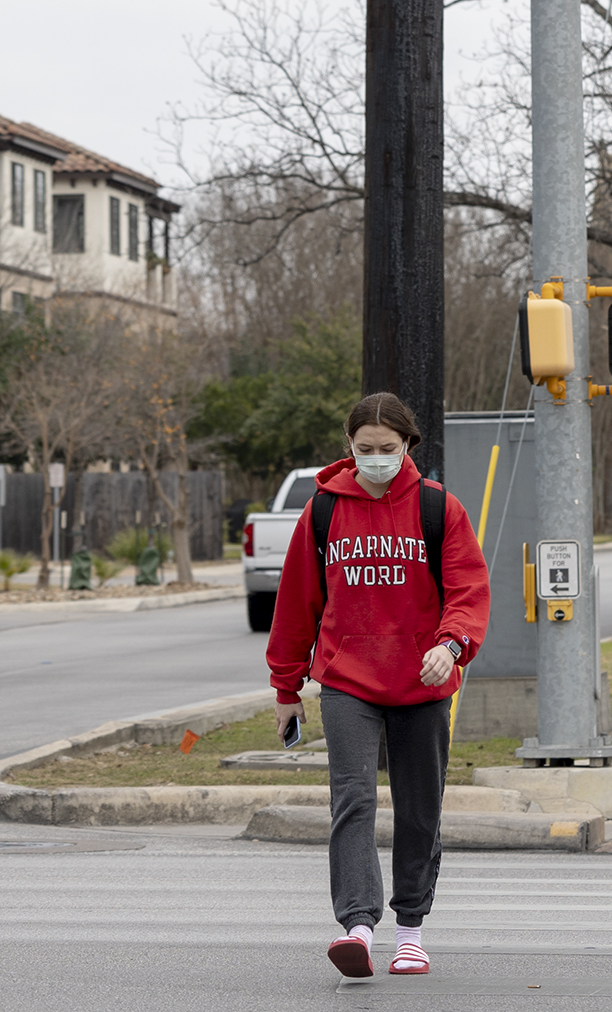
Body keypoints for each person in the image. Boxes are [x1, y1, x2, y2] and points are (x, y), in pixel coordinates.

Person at [265, 392, 490, 978]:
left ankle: (410, 931)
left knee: (419, 810)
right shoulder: (322, 511)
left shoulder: (439, 508)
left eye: (387, 449)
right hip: (347, 681)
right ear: (349, 448)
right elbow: (296, 604)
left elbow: (468, 591)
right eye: (365, 449)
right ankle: (358, 927)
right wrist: (287, 687)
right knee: (354, 801)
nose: (376, 459)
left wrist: (451, 646)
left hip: (423, 679)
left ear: (409, 446)